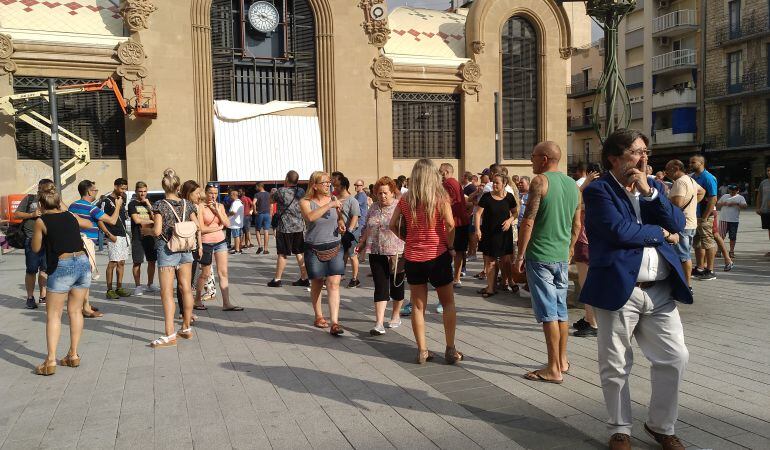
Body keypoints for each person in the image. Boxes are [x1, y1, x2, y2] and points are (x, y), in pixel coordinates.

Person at [582, 129, 691, 450]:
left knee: (675, 357)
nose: (644, 159)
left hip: (659, 289)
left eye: (646, 152)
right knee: (615, 362)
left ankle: (661, 425)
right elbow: (618, 231)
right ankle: (620, 427)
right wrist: (661, 234)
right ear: (614, 158)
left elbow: (679, 223)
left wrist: (650, 195)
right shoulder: (599, 190)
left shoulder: (655, 187)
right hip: (619, 286)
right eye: (636, 152)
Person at [515, 142, 580, 384]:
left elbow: (528, 222)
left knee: (549, 314)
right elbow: (577, 225)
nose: (530, 161)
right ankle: (562, 360)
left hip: (541, 256)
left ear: (543, 158)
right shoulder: (573, 185)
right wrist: (569, 249)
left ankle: (553, 368)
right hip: (561, 256)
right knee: (561, 311)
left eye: (532, 156)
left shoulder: (540, 182)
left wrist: (519, 255)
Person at [389, 159, 463, 364]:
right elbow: (449, 224)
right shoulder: (440, 197)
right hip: (438, 256)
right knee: (448, 303)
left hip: (413, 257)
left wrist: (407, 239)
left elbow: (392, 224)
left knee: (417, 306)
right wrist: (449, 246)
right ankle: (450, 349)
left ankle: (422, 350)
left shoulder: (406, 198)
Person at [30, 189, 95, 375]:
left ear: (41, 205)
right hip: (82, 262)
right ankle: (73, 355)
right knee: (75, 311)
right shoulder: (71, 216)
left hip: (62, 264)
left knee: (54, 315)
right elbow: (88, 224)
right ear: (59, 202)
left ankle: (50, 361)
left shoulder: (42, 221)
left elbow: (35, 248)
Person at [150, 169, 200, 348]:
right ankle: (186, 327)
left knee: (166, 292)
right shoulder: (188, 204)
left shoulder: (159, 205)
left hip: (167, 249)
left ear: (164, 186)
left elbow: (156, 231)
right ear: (178, 187)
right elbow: (197, 224)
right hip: (186, 247)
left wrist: (147, 230)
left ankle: (169, 334)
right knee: (186, 288)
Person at [299, 171, 346, 335]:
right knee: (317, 283)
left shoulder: (333, 199)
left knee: (333, 284)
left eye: (329, 182)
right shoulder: (305, 202)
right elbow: (310, 217)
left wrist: (341, 223)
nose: (328, 185)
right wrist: (330, 205)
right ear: (315, 185)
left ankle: (335, 322)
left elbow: (339, 217)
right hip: (314, 247)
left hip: (334, 245)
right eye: (325, 182)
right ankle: (318, 315)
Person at [356, 176, 405, 335]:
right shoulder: (374, 207)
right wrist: (362, 242)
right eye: (379, 193)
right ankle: (379, 323)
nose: (382, 196)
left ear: (392, 193)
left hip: (396, 252)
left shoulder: (400, 206)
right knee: (380, 286)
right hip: (376, 251)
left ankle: (396, 315)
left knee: (396, 286)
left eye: (385, 193)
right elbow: (368, 227)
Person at [68, 180, 123, 318]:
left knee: (79, 277)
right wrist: (118, 206)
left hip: (74, 244)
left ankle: (83, 304)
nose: (96, 192)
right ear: (89, 192)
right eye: (95, 190)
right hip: (86, 244)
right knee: (85, 277)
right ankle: (85, 308)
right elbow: (112, 220)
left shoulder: (73, 205)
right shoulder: (91, 208)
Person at [474, 173, 517, 298]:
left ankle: (509, 281)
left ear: (504, 184)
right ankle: (491, 288)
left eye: (497, 182)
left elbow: (515, 212)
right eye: (493, 182)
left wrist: (509, 221)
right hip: (489, 233)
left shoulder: (509, 197)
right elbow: (477, 214)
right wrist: (477, 229)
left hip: (504, 233)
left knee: (506, 260)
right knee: (490, 262)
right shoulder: (486, 197)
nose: (494, 184)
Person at [665, 160, 705, 289]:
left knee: (683, 256)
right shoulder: (691, 180)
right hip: (690, 223)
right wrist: (693, 205)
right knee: (685, 254)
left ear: (676, 168)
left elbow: (677, 205)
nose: (666, 172)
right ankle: (685, 284)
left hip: (682, 224)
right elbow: (702, 191)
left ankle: (686, 285)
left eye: (668, 169)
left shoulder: (680, 182)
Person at [14, 179, 53, 309]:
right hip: (31, 239)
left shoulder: (52, 199)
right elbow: (17, 214)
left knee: (45, 269)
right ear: (39, 188)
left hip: (47, 239)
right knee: (31, 270)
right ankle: (30, 297)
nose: (48, 190)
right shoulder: (30, 199)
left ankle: (43, 296)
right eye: (46, 188)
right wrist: (32, 214)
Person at [268, 170, 309, 287]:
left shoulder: (281, 191)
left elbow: (271, 201)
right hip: (299, 226)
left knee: (282, 253)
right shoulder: (301, 191)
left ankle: (277, 279)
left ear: (286, 179)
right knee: (299, 252)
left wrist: (273, 192)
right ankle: (304, 277)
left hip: (284, 227)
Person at [572, 169, 600, 338]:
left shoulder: (586, 201)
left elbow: (573, 197)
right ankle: (589, 317)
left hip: (584, 243)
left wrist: (585, 183)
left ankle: (593, 323)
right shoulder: (604, 197)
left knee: (586, 285)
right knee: (591, 284)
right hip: (596, 244)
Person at [440, 163, 470, 289]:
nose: (439, 174)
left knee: (450, 250)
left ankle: (449, 277)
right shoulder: (457, 183)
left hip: (454, 222)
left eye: (440, 171)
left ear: (446, 172)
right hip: (461, 221)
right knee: (459, 252)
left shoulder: (447, 184)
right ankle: (456, 278)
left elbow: (448, 204)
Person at [100, 178, 131, 299]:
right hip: (113, 235)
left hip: (123, 235)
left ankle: (119, 287)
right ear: (115, 186)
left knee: (121, 262)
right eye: (122, 188)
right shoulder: (106, 201)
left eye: (125, 189)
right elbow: (100, 220)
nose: (124, 191)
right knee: (112, 263)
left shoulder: (122, 199)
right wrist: (109, 235)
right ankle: (109, 290)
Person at [690, 156, 720, 280]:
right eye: (690, 162)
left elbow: (713, 198)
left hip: (704, 216)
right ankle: (700, 267)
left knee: (708, 242)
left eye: (693, 162)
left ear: (701, 163)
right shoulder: (692, 177)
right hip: (695, 216)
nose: (690, 164)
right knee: (697, 242)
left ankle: (710, 270)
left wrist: (705, 217)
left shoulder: (708, 177)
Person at [128, 181, 158, 296]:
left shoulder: (150, 203)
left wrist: (149, 205)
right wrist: (151, 221)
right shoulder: (132, 204)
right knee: (137, 262)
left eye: (145, 191)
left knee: (152, 261)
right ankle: (138, 286)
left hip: (150, 236)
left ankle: (150, 284)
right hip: (138, 237)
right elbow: (137, 220)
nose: (142, 194)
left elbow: (157, 218)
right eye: (140, 191)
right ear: (136, 192)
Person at [337, 177, 362, 288]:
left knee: (352, 256)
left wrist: (349, 231)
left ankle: (355, 279)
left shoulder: (352, 200)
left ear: (343, 187)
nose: (335, 188)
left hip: (351, 233)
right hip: (340, 232)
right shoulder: (335, 199)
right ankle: (340, 274)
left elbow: (355, 217)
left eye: (337, 186)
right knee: (342, 255)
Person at [717, 184, 747, 261]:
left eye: (734, 190)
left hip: (734, 220)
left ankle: (731, 251)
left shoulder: (740, 197)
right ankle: (719, 251)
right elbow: (718, 204)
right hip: (723, 219)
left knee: (732, 237)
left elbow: (745, 206)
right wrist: (724, 203)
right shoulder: (725, 196)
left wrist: (736, 203)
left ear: (737, 191)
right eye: (731, 190)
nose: (732, 192)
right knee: (721, 236)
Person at [253, 182, 272, 254]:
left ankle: (260, 246)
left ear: (259, 186)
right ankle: (266, 249)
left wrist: (255, 211)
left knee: (257, 230)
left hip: (260, 214)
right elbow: (271, 205)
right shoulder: (268, 194)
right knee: (266, 231)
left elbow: (253, 203)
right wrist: (270, 214)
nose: (255, 188)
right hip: (267, 214)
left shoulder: (257, 194)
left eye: (256, 187)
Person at [757, 166, 770, 256]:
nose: (769, 172)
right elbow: (759, 195)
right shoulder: (763, 183)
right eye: (768, 170)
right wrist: (758, 207)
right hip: (765, 210)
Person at [227, 190, 244, 255]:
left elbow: (233, 212)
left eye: (231, 195)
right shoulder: (240, 202)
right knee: (238, 236)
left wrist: (226, 215)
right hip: (239, 222)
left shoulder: (235, 203)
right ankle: (239, 248)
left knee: (236, 236)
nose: (230, 196)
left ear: (234, 195)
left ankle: (237, 250)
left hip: (235, 223)